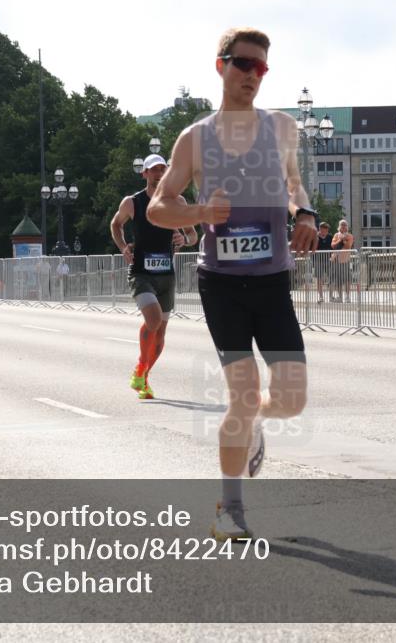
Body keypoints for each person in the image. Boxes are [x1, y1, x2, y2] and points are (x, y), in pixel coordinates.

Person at [147, 27, 318, 541]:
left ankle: (256, 425)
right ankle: (230, 508)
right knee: (241, 396)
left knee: (290, 399)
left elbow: (293, 184)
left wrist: (305, 212)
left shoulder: (282, 128)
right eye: (243, 64)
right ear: (220, 65)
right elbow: (159, 207)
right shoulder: (195, 138)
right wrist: (199, 212)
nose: (252, 75)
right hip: (221, 283)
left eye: (261, 67)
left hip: (272, 281)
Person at [110, 154, 197, 400]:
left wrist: (185, 240)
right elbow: (115, 224)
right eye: (154, 170)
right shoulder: (132, 202)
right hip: (141, 273)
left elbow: (192, 235)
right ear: (145, 174)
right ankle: (140, 366)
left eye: (163, 169)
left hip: (166, 276)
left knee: (160, 335)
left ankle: (143, 377)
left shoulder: (177, 201)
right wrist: (123, 246)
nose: (159, 174)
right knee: (153, 319)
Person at [330, 219, 354, 302]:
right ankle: (339, 297)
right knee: (338, 280)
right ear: (339, 227)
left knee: (347, 279)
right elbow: (333, 245)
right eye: (342, 225)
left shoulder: (350, 236)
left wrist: (344, 240)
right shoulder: (336, 235)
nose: (343, 226)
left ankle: (347, 297)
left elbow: (348, 246)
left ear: (347, 227)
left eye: (345, 225)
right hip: (336, 260)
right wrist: (340, 240)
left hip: (346, 260)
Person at [315, 221, 332, 303]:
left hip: (329, 260)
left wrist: (333, 257)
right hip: (318, 261)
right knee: (319, 279)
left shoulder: (330, 237)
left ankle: (331, 296)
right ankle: (321, 297)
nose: (324, 231)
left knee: (332, 278)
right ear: (319, 229)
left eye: (325, 230)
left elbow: (333, 248)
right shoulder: (315, 237)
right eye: (322, 229)